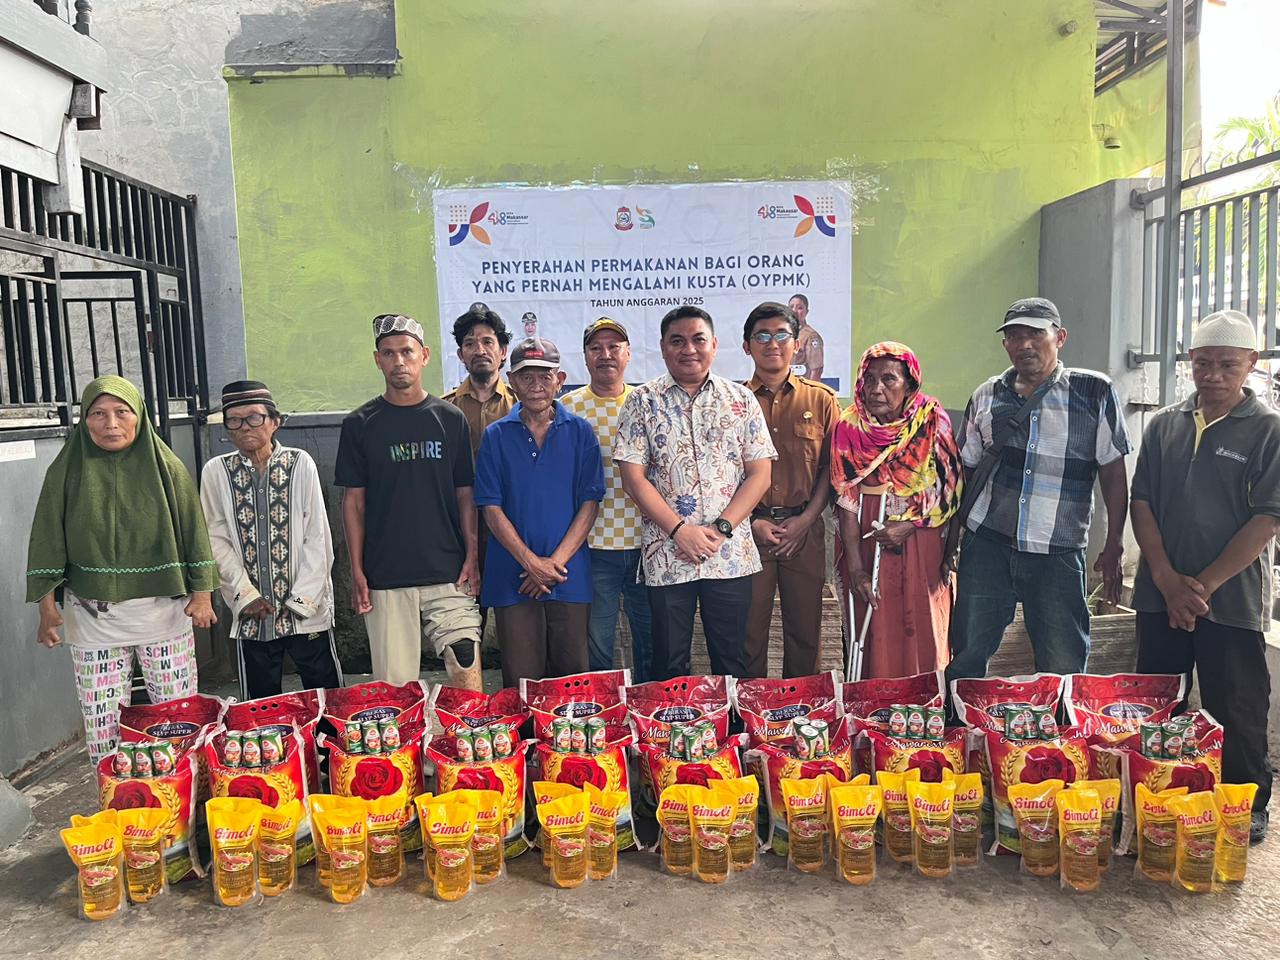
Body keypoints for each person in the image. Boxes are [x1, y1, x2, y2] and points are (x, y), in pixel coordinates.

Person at [1131, 310, 1279, 842]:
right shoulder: (1164, 424)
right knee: (1159, 699)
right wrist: (1166, 578)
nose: (1213, 375)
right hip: (1159, 593)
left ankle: (1245, 801)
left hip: (1231, 598)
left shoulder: (1268, 429)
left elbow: (1267, 519)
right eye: (1203, 363)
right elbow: (1142, 501)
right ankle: (1162, 790)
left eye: (1227, 365)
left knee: (1236, 703)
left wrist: (1201, 588)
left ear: (1251, 364)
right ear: (1189, 361)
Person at [26, 376, 218, 764]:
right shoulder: (65, 472)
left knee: (176, 717)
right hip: (93, 618)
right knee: (104, 725)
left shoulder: (167, 467)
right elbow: (47, 539)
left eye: (121, 412)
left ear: (139, 417)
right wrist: (46, 608)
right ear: (84, 420)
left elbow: (194, 532)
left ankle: (181, 793)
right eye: (98, 413)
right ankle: (115, 795)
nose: (110, 424)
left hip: (163, 614)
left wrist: (202, 595)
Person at [946, 297, 1131, 681]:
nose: (1024, 344)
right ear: (1005, 344)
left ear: (1059, 337)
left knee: (1063, 665)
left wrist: (1114, 541)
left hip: (1057, 551)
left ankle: (1059, 721)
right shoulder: (987, 395)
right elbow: (965, 471)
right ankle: (961, 719)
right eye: (1015, 336)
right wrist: (950, 541)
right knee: (967, 656)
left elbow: (1113, 473)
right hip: (989, 545)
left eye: (1035, 334)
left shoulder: (1094, 392)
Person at [615, 306, 776, 679]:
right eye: (677, 341)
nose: (689, 349)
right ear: (663, 347)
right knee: (669, 664)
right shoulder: (642, 401)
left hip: (730, 555)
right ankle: (674, 720)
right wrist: (679, 531)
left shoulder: (740, 399)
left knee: (732, 662)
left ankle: (730, 720)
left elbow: (760, 474)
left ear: (714, 345)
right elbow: (633, 478)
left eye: (698, 339)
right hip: (667, 553)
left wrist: (721, 529)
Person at [336, 314, 482, 690]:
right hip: (387, 574)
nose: (398, 361)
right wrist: (357, 571)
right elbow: (353, 503)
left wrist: (472, 555)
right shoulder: (360, 424)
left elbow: (465, 494)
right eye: (389, 353)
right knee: (396, 692)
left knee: (466, 667)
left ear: (424, 356)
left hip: (448, 570)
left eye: (407, 351)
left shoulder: (450, 419)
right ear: (377, 359)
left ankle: (468, 731)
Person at [200, 380, 343, 699]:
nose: (244, 427)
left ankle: (326, 738)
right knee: (260, 705)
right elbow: (216, 539)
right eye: (234, 420)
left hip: (305, 613)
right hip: (253, 614)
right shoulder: (216, 472)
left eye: (254, 417)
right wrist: (244, 594)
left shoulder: (299, 463)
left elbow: (318, 536)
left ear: (275, 422)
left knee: (325, 699)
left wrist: (303, 599)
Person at [474, 337, 605, 685]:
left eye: (545, 376)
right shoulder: (495, 436)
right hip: (513, 576)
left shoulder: (580, 433)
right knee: (521, 683)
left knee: (572, 684)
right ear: (512, 382)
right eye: (526, 377)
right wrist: (531, 563)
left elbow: (590, 503)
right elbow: (490, 508)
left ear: (560, 380)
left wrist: (552, 565)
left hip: (568, 575)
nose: (536, 386)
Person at [831, 343, 964, 678]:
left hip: (922, 537)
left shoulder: (931, 419)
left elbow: (951, 486)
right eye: (869, 379)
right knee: (873, 622)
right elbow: (846, 500)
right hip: (866, 535)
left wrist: (911, 524)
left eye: (889, 379)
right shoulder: (849, 426)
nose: (876, 388)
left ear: (909, 384)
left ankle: (924, 699)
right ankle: (872, 701)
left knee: (922, 620)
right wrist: (857, 569)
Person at [740, 302, 840, 678]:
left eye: (782, 335)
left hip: (806, 531)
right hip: (749, 535)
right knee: (747, 637)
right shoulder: (733, 402)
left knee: (805, 636)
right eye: (762, 336)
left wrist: (805, 521)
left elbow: (831, 470)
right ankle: (748, 710)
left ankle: (803, 709)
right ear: (747, 346)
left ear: (797, 345)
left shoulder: (822, 400)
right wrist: (751, 523)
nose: (773, 344)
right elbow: (724, 474)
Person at [562, 318, 654, 680]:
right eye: (596, 348)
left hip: (647, 543)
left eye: (614, 347)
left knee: (650, 637)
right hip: (593, 546)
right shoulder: (566, 409)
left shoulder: (648, 402)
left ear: (628, 354)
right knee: (597, 639)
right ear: (585, 356)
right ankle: (603, 705)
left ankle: (649, 704)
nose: (605, 355)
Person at [443, 305, 517, 633]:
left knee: (517, 624)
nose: (480, 350)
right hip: (460, 531)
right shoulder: (444, 409)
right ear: (461, 355)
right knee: (465, 623)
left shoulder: (521, 405)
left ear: (503, 352)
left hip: (513, 528)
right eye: (470, 344)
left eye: (488, 342)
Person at [788, 293, 824, 381]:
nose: (794, 311)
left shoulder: (811, 336)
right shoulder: (784, 333)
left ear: (806, 312)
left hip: (801, 386)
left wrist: (811, 389)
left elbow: (816, 370)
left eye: (799, 308)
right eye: (791, 307)